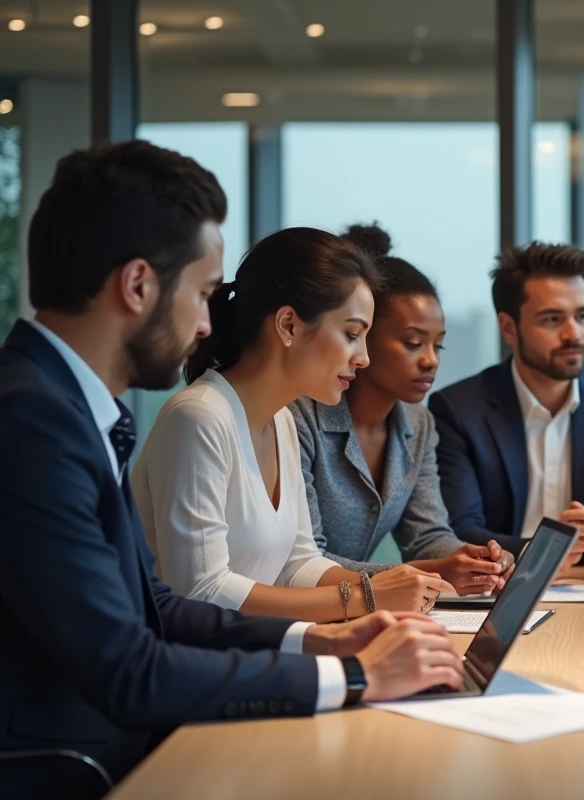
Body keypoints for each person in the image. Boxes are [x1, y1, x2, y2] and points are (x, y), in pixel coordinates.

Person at [0, 141, 462, 794]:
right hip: (85, 760)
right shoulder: (31, 420)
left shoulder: (63, 404)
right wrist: (354, 675)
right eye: (203, 292)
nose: (208, 319)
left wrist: (327, 642)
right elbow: (130, 670)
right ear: (137, 286)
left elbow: (157, 607)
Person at [131, 225, 453, 623]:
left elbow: (298, 564)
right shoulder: (198, 418)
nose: (363, 358)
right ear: (288, 325)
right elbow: (201, 591)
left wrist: (400, 583)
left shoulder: (281, 419)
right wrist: (369, 596)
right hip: (192, 670)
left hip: (253, 653)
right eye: (352, 334)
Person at [429, 242, 584, 574]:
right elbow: (458, 530)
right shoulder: (458, 409)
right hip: (499, 589)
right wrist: (544, 551)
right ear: (508, 328)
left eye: (582, 316)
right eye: (552, 319)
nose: (573, 333)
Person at [290, 223, 514, 595]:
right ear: (362, 334)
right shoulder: (301, 416)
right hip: (306, 611)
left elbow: (427, 535)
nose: (430, 361)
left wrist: (472, 560)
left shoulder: (418, 423)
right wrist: (427, 573)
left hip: (359, 609)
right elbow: (306, 560)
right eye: (413, 343)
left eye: (438, 346)